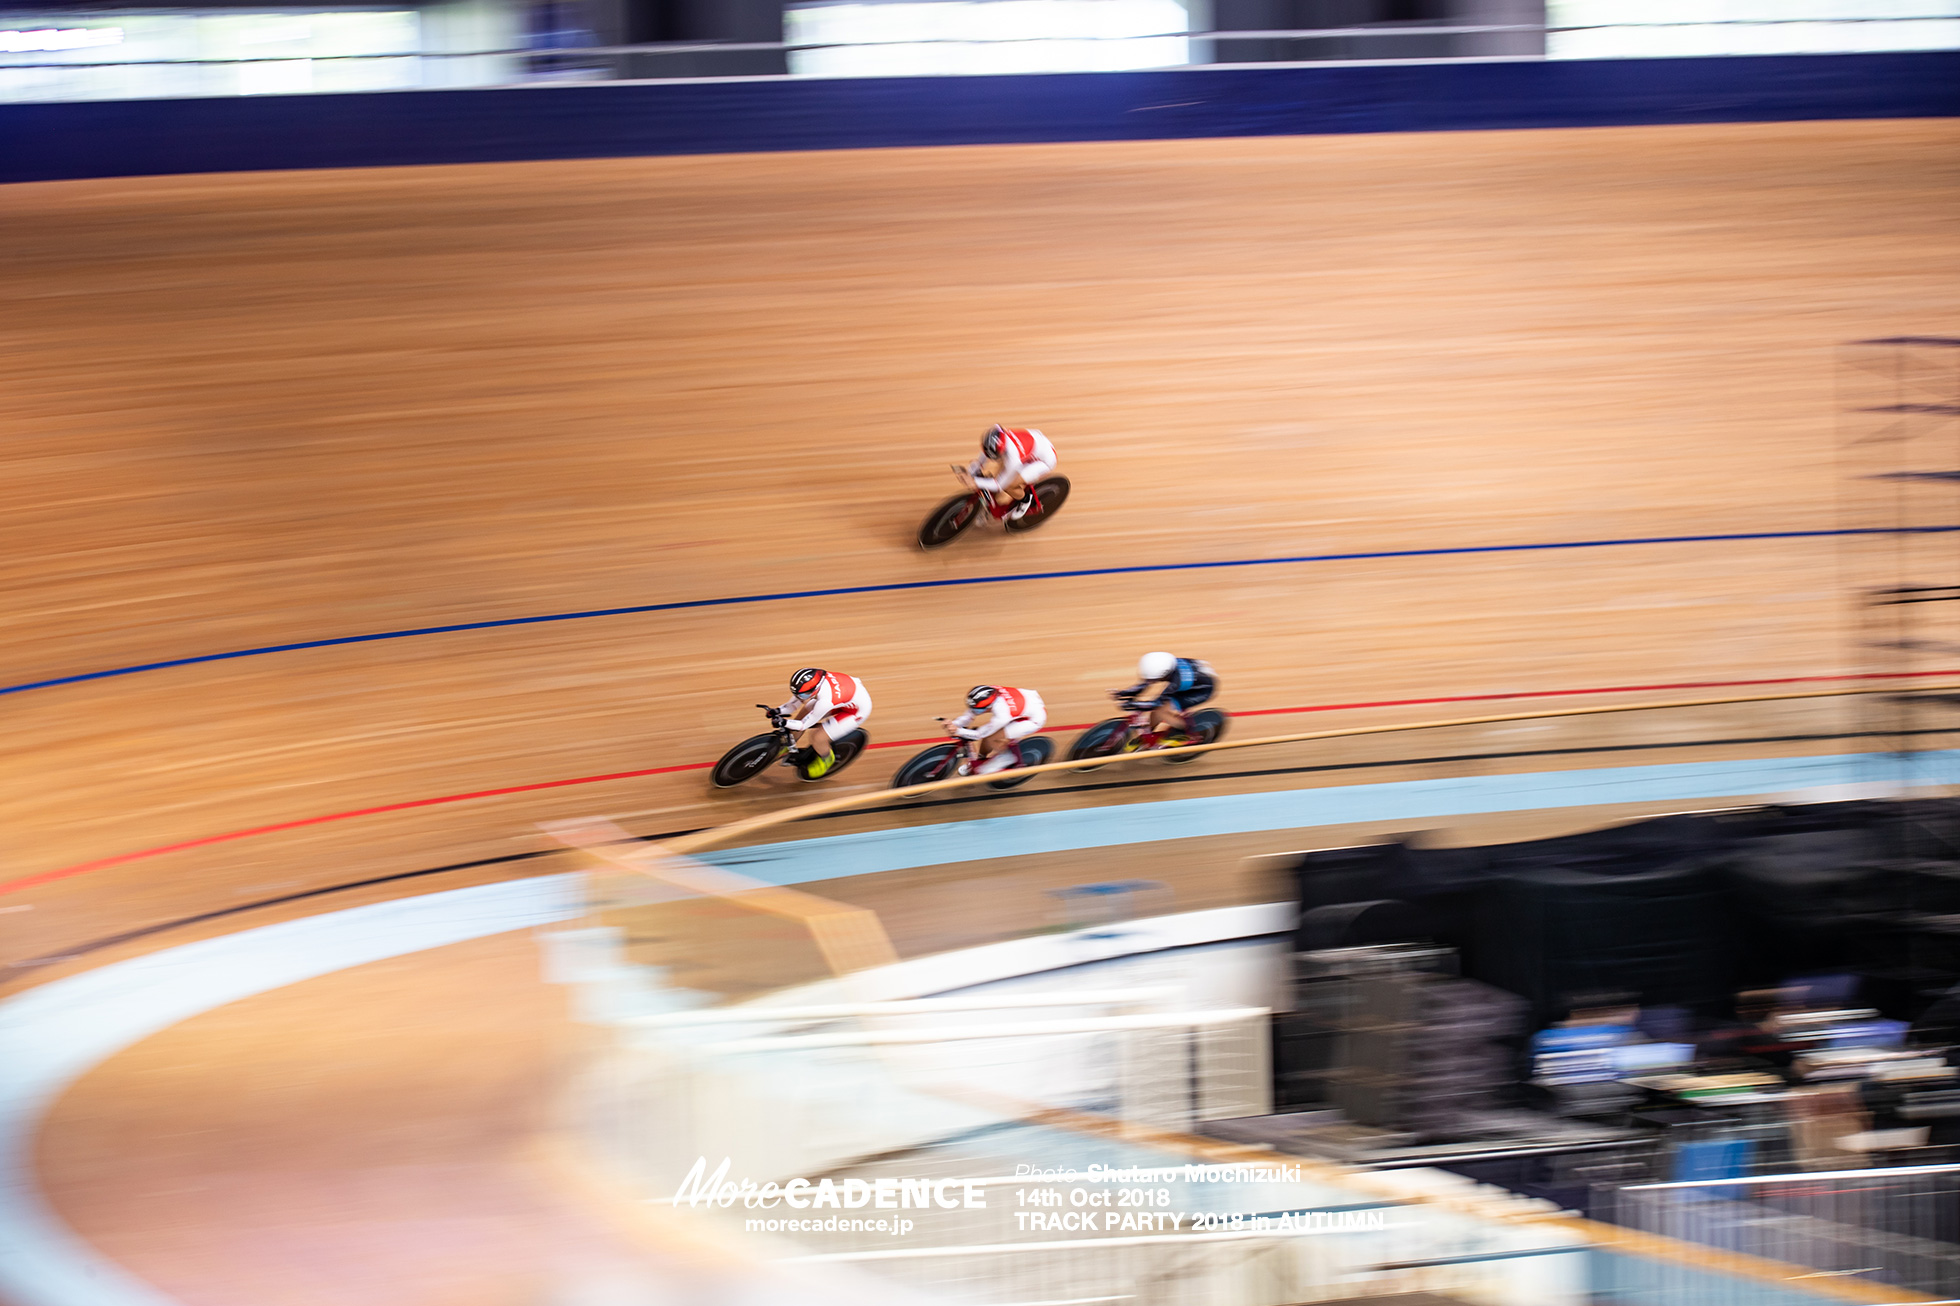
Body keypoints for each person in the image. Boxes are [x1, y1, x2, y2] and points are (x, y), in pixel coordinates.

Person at [778, 667, 872, 780]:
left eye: (803, 696)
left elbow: (803, 725)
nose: (800, 698)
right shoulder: (813, 683)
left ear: (815, 689)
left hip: (855, 711)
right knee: (805, 710)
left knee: (818, 737)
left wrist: (784, 722)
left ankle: (827, 759)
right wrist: (777, 711)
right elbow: (794, 703)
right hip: (844, 698)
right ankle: (789, 742)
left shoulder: (825, 701)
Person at [945, 683, 1048, 775]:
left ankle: (1006, 757)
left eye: (979, 709)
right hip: (1025, 703)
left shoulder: (1002, 713)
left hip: (1033, 719)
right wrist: (955, 723)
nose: (974, 711)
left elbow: (980, 734)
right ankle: (981, 758)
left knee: (992, 738)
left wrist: (959, 731)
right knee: (990, 737)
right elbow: (970, 714)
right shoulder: (989, 692)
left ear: (990, 705)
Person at [1114, 652, 1216, 744]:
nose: (1152, 680)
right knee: (1156, 711)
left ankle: (1182, 731)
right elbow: (1145, 683)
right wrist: (1123, 693)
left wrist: (1134, 705)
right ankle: (1148, 734)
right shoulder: (1165, 665)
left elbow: (1157, 703)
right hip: (1194, 682)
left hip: (1200, 691)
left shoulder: (1177, 681)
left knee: (1160, 711)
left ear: (1164, 674)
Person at [967, 424, 1058, 520]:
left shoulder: (1013, 459)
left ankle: (1025, 500)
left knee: (1008, 486)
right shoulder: (999, 435)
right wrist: (977, 465)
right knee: (1002, 471)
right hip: (1036, 445)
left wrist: (975, 482)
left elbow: (1000, 484)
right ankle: (992, 503)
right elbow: (987, 451)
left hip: (1045, 460)